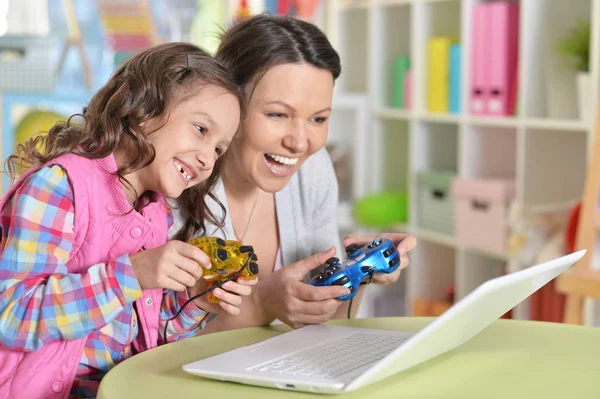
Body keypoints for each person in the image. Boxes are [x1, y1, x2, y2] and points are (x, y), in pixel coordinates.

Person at [0, 42, 255, 398]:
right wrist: (130, 274)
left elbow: (142, 339)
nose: (207, 160)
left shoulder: (154, 212)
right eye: (200, 129)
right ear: (144, 109)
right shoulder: (59, 187)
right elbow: (11, 318)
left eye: (218, 149)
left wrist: (194, 299)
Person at [170, 14, 417, 333]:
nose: (299, 143)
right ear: (230, 104)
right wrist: (263, 303)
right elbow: (149, 344)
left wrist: (359, 274)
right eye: (277, 114)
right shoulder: (176, 180)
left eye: (318, 119)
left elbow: (328, 319)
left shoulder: (312, 171)